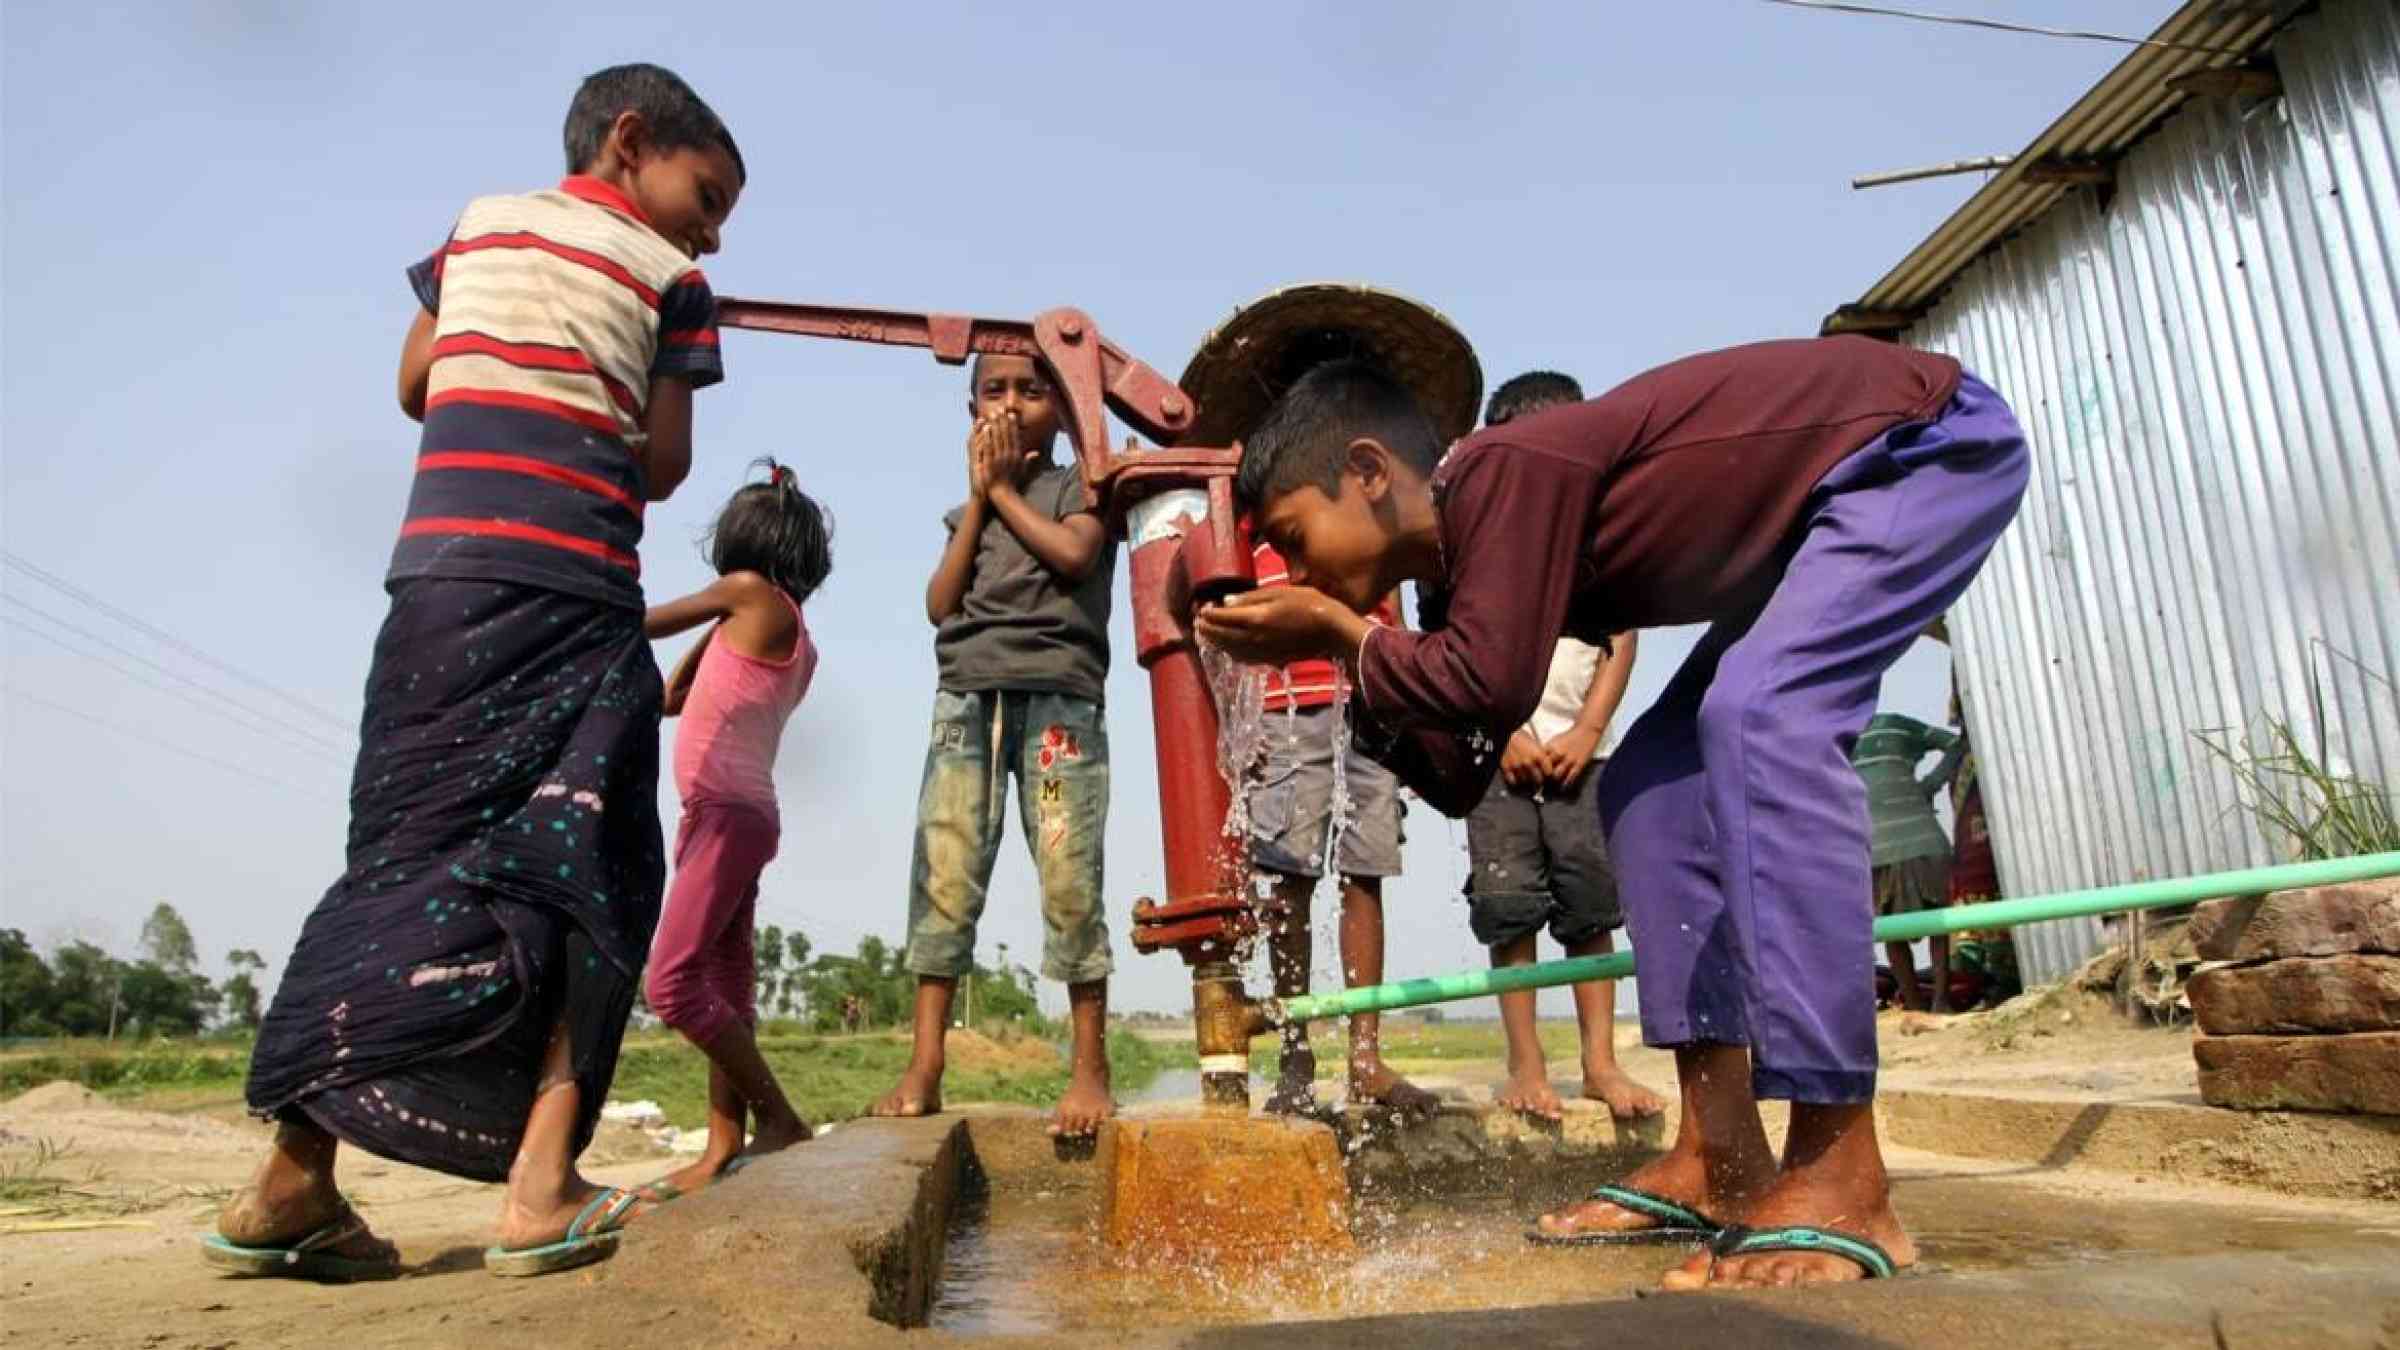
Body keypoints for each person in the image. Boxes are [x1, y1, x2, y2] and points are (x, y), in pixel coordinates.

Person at [1196, 335, 2029, 1290]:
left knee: (1763, 719)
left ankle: (1842, 1173)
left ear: (1369, 473)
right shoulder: (1450, 574)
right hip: (1804, 529)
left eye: (1296, 539)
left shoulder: (1499, 472)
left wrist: (1346, 632)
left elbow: (1487, 676)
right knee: (1650, 789)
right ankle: (1722, 1157)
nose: (1294, 572)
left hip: (1919, 448)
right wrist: (1357, 660)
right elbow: (1467, 769)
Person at [209, 64, 743, 1280]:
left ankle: (291, 1182)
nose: (711, 227)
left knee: (400, 861)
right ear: (628, 142)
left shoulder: (479, 224)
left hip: (435, 590)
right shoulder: (679, 282)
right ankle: (540, 1189)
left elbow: (414, 381)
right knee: (590, 868)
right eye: (706, 193)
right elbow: (661, 467)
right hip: (574, 600)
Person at [872, 353, 1118, 1138]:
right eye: (994, 390)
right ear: (971, 406)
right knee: (946, 871)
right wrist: (980, 500)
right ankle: (926, 1064)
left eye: (1032, 390)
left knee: (1068, 877)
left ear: (1066, 405)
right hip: (967, 700)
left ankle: (1089, 1069)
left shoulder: (1083, 487)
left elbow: (1075, 556)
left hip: (1056, 704)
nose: (1011, 403)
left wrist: (1005, 490)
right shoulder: (966, 513)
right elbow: (940, 604)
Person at [1468, 371, 1662, 1123]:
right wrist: (1503, 734)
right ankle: (1525, 1065)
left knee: (1591, 910)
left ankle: (1600, 1064)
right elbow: (1458, 651)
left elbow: (1621, 639)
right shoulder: (1477, 545)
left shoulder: (1599, 546)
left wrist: (1586, 730)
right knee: (1507, 906)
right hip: (1499, 759)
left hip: (1587, 758)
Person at [639, 461, 833, 1196]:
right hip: (735, 816)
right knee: (723, 979)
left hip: (724, 813)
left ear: (736, 546)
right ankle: (724, 1143)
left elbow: (642, 623)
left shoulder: (747, 593)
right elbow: (671, 698)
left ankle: (778, 1118)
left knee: (671, 984)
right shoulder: (790, 633)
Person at [1245, 541, 1436, 1118]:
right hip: (1285, 711)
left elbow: (1394, 624)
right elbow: (1227, 618)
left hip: (1369, 705)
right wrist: (1237, 721)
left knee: (1365, 878)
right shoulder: (1257, 511)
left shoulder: (1369, 515)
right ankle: (1295, 1055)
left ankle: (1364, 1059)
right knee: (1288, 884)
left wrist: (1414, 727)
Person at [1853, 712, 1965, 1013]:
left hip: (1916, 839)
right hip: (1879, 845)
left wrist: (1930, 785)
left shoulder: (1894, 724)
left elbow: (1955, 743)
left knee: (1935, 920)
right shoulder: (1833, 736)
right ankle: (1920, 1004)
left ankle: (1937, 1001)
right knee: (1896, 927)